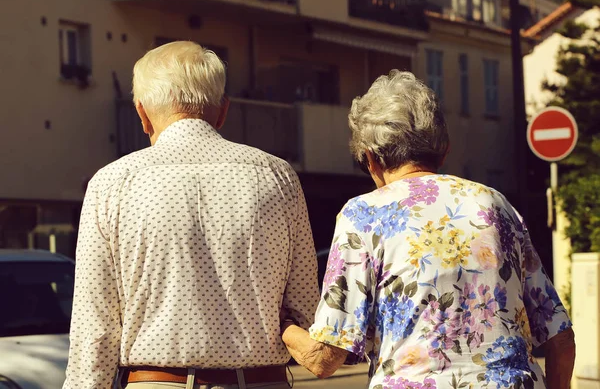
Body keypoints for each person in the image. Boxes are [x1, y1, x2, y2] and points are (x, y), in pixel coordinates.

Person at [282, 70, 576, 389]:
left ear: (370, 159)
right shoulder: (496, 205)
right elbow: (561, 338)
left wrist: (283, 325)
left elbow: (325, 358)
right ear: (444, 150)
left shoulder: (363, 213)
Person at [63, 41, 320, 389]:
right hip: (260, 381)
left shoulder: (112, 184)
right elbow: (304, 307)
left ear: (142, 114)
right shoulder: (277, 177)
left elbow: (95, 328)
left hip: (156, 381)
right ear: (223, 110)